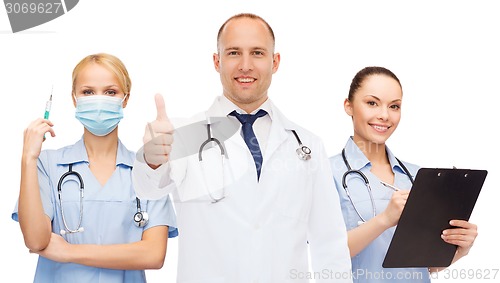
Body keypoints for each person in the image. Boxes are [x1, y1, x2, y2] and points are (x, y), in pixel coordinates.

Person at [132, 13, 352, 282]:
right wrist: (153, 158)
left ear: (275, 62)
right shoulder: (185, 135)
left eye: (257, 53)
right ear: (217, 61)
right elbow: (149, 187)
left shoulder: (306, 144)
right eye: (234, 52)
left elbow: (329, 243)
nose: (245, 65)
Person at [12, 53, 178, 283]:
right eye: (88, 92)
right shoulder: (47, 164)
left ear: (125, 99)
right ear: (74, 98)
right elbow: (35, 241)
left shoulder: (149, 169)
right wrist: (27, 158)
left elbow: (154, 255)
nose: (99, 100)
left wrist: (69, 252)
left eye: (110, 92)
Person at [329, 66, 478, 282]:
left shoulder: (418, 177)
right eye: (372, 103)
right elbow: (327, 254)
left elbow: (425, 265)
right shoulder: (325, 174)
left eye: (394, 106)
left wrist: (460, 248)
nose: (384, 115)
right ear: (348, 106)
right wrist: (385, 219)